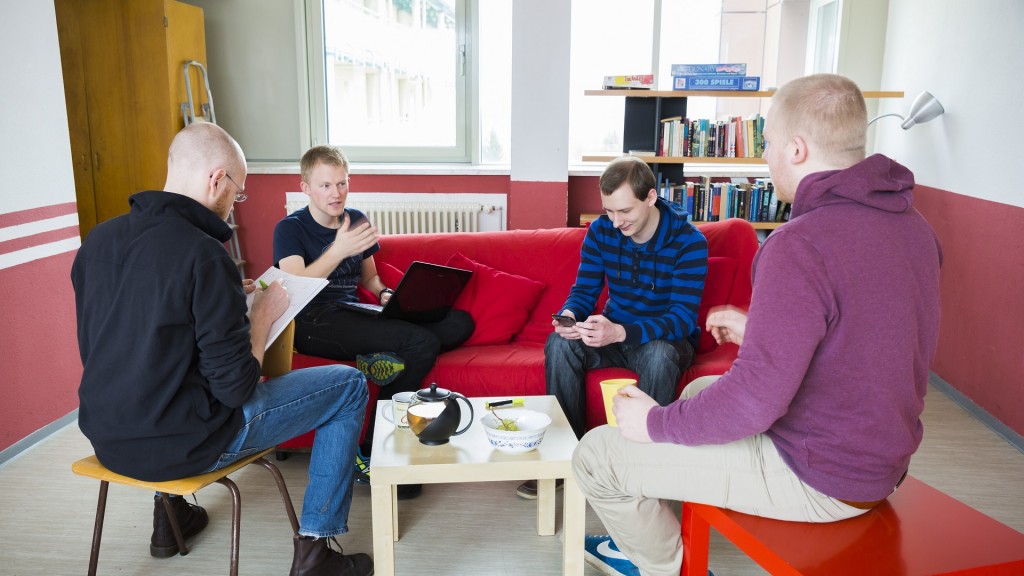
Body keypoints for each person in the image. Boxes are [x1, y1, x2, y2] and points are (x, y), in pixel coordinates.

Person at [572, 73, 943, 576]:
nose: (765, 158)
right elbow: (867, 337)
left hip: (821, 475)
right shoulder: (915, 228)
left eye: (767, 143)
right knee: (697, 388)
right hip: (881, 458)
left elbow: (754, 400)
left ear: (797, 149)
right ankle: (666, 531)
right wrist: (763, 329)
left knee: (596, 455)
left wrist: (653, 424)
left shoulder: (798, 244)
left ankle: (664, 565)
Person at [72, 122, 373, 576]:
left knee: (168, 381)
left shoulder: (98, 240)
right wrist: (260, 316)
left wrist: (228, 297)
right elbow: (236, 388)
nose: (235, 203)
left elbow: (140, 343)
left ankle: (171, 518)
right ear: (217, 179)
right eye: (238, 192)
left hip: (108, 438)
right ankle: (316, 551)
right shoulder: (204, 254)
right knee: (348, 385)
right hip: (184, 445)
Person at [273, 145, 475, 499]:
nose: (336, 193)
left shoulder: (356, 219)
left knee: (459, 322)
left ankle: (382, 359)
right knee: (422, 342)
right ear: (305, 187)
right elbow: (296, 288)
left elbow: (369, 278)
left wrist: (384, 295)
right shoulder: (290, 229)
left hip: (353, 312)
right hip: (311, 321)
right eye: (325, 185)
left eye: (342, 183)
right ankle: (371, 453)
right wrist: (338, 250)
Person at [519, 155, 708, 500]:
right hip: (613, 334)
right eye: (609, 211)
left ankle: (643, 468)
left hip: (664, 339)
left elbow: (682, 318)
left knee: (659, 356)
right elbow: (584, 291)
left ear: (650, 197)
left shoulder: (689, 242)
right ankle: (567, 459)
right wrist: (570, 315)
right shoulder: (601, 231)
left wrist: (621, 332)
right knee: (559, 345)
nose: (617, 221)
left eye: (625, 211)